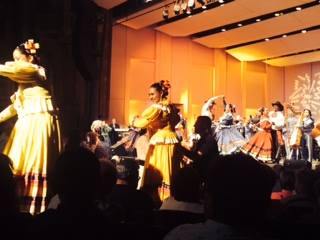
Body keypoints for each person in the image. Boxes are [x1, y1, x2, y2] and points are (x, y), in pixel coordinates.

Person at [0, 39, 62, 214]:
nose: (16, 62)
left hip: (37, 122)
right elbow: (16, 107)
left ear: (30, 58)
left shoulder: (36, 71)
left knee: (30, 161)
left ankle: (30, 208)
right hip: (31, 120)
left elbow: (14, 69)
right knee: (19, 160)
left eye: (19, 58)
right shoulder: (27, 82)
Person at [132, 80, 180, 200]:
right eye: (149, 94)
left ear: (160, 93)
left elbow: (143, 122)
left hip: (161, 142)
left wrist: (134, 121)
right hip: (172, 140)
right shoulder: (170, 107)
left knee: (159, 169)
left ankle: (159, 198)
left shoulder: (157, 107)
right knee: (170, 170)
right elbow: (176, 120)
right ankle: (171, 196)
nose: (150, 97)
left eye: (152, 94)